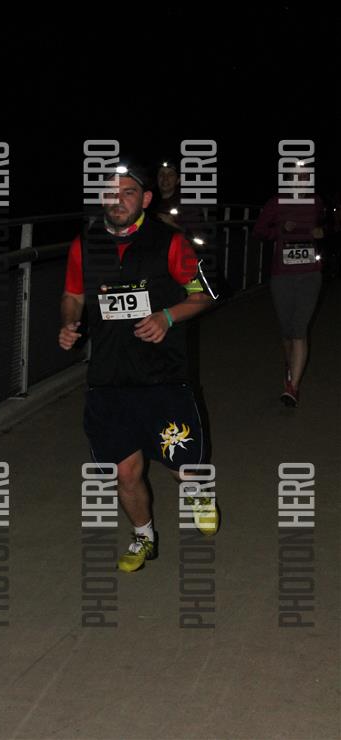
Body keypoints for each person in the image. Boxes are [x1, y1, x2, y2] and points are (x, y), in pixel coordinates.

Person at [59, 164, 219, 573]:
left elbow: (203, 295)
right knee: (124, 472)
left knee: (183, 466)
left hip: (162, 375)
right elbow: (73, 294)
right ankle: (144, 537)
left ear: (146, 199)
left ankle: (197, 489)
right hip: (108, 378)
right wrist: (69, 322)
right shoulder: (85, 244)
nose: (117, 201)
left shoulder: (170, 241)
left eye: (128, 192)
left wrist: (167, 316)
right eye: (110, 193)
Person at [253, 169, 325, 407]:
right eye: (296, 176)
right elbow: (258, 231)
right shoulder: (276, 202)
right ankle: (290, 365)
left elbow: (329, 225)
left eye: (305, 176)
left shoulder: (316, 202)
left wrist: (322, 232)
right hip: (282, 276)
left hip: (310, 274)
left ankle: (292, 386)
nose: (301, 180)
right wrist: (281, 229)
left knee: (299, 329)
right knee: (287, 330)